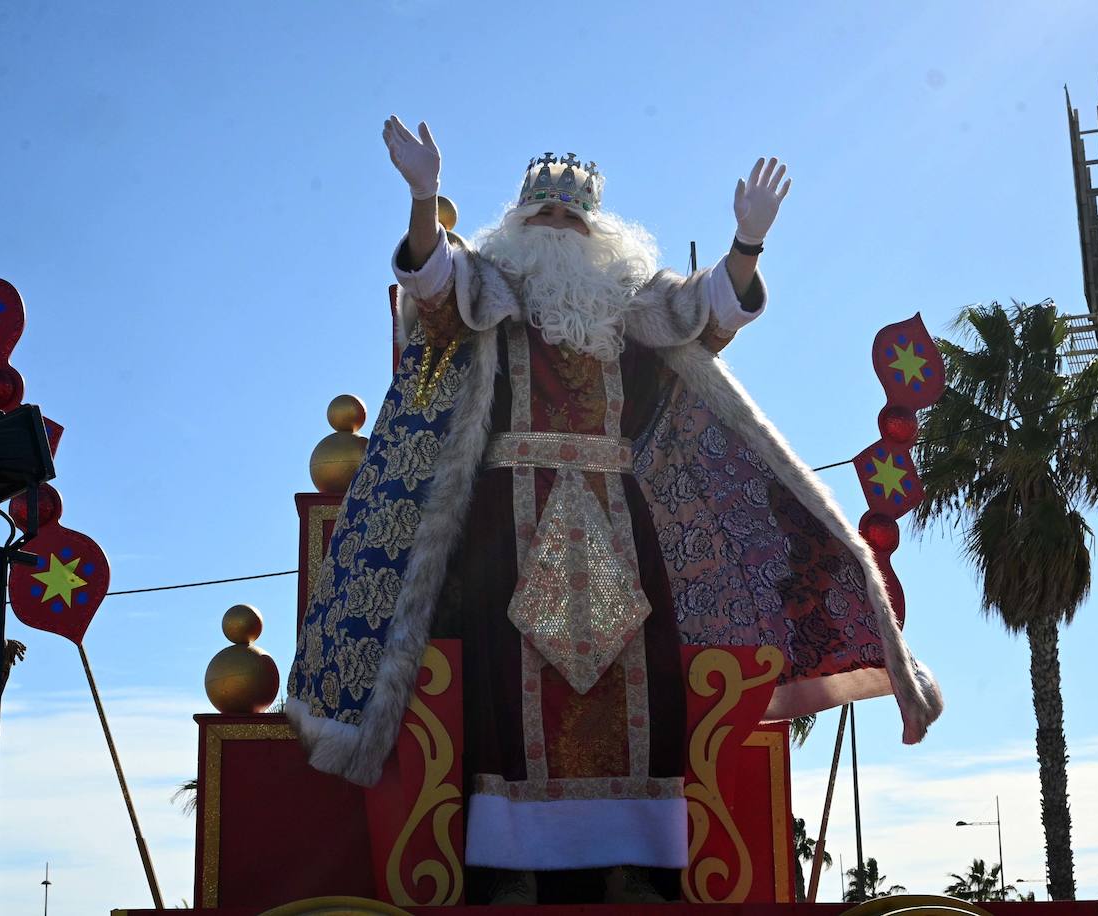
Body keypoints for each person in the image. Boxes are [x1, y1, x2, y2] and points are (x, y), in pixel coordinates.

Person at [287, 117, 942, 904]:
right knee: (509, 686)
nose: (557, 226)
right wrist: (425, 197)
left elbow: (707, 313)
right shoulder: (489, 293)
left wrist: (747, 244)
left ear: (598, 234)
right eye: (543, 214)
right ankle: (512, 867)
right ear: (517, 225)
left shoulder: (630, 306)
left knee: (641, 677)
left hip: (616, 520)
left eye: (571, 217)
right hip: (509, 522)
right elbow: (432, 284)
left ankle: (637, 863)